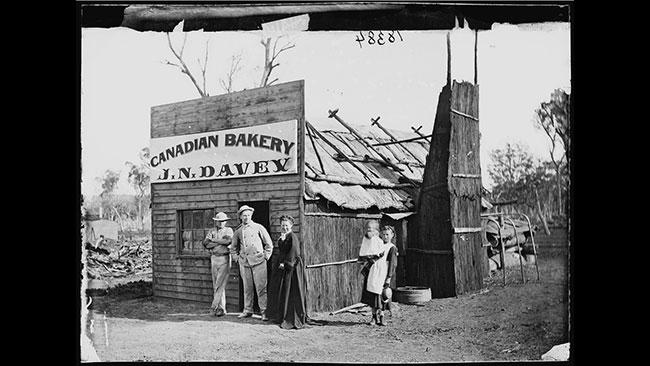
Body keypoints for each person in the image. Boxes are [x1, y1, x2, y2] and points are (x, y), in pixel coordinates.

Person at [230, 205, 273, 320]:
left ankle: (264, 311)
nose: (246, 218)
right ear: (240, 217)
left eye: (248, 215)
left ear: (251, 216)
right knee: (247, 288)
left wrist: (266, 256)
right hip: (244, 262)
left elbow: (269, 244)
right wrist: (236, 258)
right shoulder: (238, 231)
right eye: (244, 216)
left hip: (259, 261)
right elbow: (233, 247)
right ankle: (248, 310)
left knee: (261, 288)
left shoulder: (258, 227)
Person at [275, 215, 308, 329]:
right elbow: (283, 250)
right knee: (285, 290)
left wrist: (286, 263)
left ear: (291, 226)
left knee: (292, 290)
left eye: (286, 225)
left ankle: (292, 317)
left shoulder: (292, 237)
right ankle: (282, 315)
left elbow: (293, 252)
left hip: (292, 267)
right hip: (285, 266)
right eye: (282, 225)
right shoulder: (284, 236)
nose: (284, 227)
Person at [357, 220, 388, 326]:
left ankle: (382, 316)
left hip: (378, 271)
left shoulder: (379, 241)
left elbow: (380, 255)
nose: (369, 230)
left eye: (371, 228)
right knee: (371, 296)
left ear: (376, 231)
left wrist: (373, 259)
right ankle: (373, 317)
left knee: (380, 294)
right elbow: (363, 254)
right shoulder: (365, 240)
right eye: (368, 228)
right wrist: (365, 260)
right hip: (370, 271)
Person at [203, 211, 233, 317]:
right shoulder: (212, 231)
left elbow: (228, 242)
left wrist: (214, 241)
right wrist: (220, 241)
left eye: (223, 221)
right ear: (216, 222)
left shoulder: (228, 230)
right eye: (219, 221)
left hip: (224, 258)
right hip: (214, 258)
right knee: (216, 284)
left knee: (219, 284)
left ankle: (214, 307)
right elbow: (206, 243)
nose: (221, 223)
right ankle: (221, 309)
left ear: (226, 221)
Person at [378, 225, 399, 322]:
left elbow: (392, 264)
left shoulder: (392, 248)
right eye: (383, 234)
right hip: (378, 272)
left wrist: (389, 277)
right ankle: (378, 314)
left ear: (392, 235)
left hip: (386, 273)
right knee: (377, 293)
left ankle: (382, 315)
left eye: (387, 234)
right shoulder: (380, 246)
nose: (385, 236)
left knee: (385, 293)